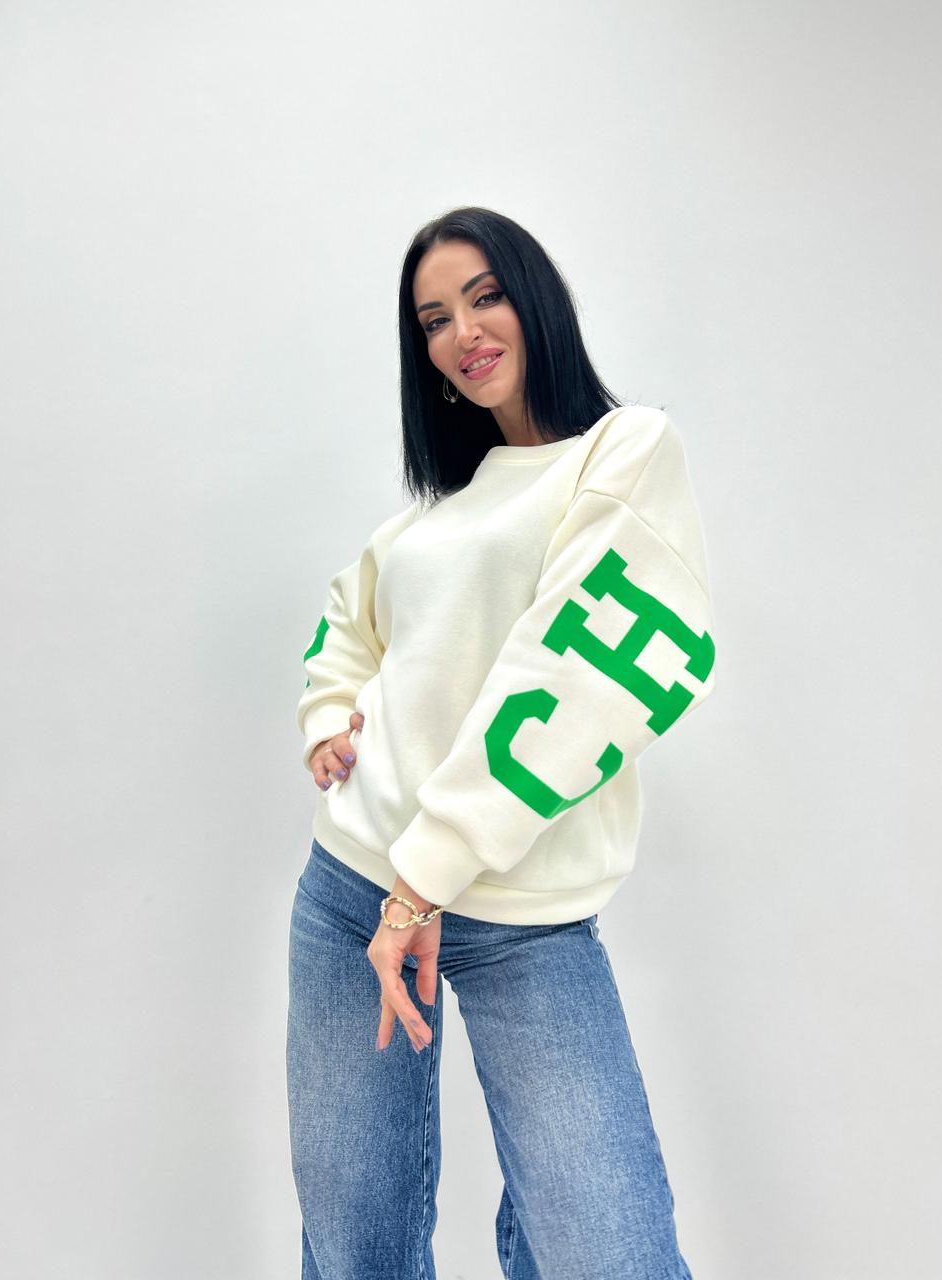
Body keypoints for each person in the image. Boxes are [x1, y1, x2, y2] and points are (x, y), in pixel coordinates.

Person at [287, 205, 717, 1280]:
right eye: (434, 319)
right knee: (354, 1247)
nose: (462, 332)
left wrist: (426, 878)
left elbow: (588, 679)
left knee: (610, 1253)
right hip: (352, 890)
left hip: (517, 911)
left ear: (536, 299)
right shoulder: (436, 514)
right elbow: (348, 615)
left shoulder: (623, 452)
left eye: (483, 296)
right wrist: (329, 715)